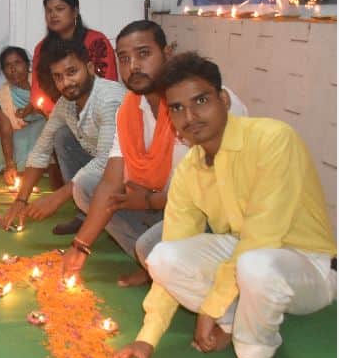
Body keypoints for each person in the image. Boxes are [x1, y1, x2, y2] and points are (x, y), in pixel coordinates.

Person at [112, 52, 336, 358]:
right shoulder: (190, 168)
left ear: (224, 99)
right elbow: (174, 245)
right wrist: (147, 340)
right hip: (245, 254)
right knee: (161, 257)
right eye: (177, 108)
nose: (190, 116)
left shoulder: (274, 139)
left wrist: (210, 308)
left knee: (256, 264)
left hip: (310, 266)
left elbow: (263, 238)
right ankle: (232, 323)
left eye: (200, 100)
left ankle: (255, 354)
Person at [61, 21, 248, 287]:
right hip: (164, 201)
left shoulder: (196, 105)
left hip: (217, 214)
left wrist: (150, 201)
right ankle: (154, 265)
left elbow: (198, 194)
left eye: (144, 54)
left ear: (167, 54)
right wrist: (80, 247)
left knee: (151, 248)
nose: (133, 66)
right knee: (88, 188)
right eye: (124, 59)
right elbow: (110, 183)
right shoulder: (129, 110)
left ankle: (179, 268)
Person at [1, 39, 124, 232]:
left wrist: (57, 197)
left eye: (72, 72)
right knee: (61, 136)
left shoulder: (109, 99)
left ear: (90, 68)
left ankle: (100, 214)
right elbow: (42, 149)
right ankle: (85, 212)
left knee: (72, 149)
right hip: (100, 165)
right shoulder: (66, 103)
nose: (65, 83)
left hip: (130, 173)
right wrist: (21, 199)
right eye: (58, 77)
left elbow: (107, 161)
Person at [30, 0, 118, 117]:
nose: (53, 15)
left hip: (96, 114)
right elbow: (38, 92)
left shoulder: (96, 41)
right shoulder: (41, 48)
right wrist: (59, 115)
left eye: (59, 9)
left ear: (75, 11)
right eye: (48, 11)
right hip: (55, 117)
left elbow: (108, 83)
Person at [0, 46, 47, 183]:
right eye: (8, 66)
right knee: (20, 145)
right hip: (19, 134)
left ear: (27, 65)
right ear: (3, 71)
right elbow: (5, 132)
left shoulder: (42, 84)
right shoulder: (1, 95)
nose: (13, 69)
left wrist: (33, 109)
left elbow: (53, 113)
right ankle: (23, 166)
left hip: (46, 130)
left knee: (43, 126)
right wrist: (10, 164)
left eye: (17, 63)